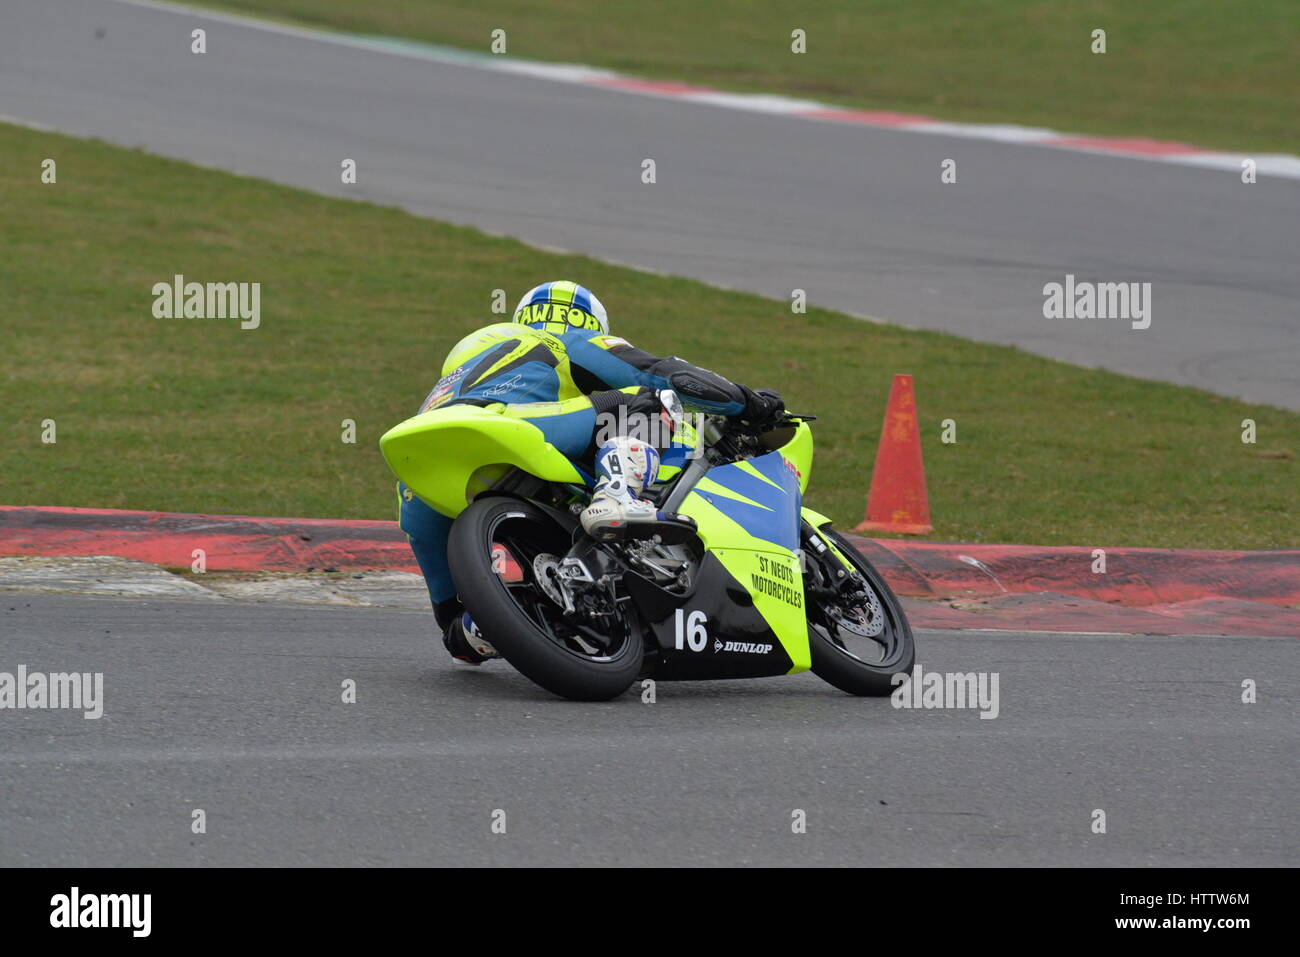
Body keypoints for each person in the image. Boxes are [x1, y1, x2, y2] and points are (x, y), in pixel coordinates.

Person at [398, 280, 784, 664]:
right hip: (510, 426)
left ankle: (480, 627)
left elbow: (444, 611)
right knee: (652, 400)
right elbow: (666, 374)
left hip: (424, 467)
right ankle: (616, 493)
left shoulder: (474, 355)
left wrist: (471, 617)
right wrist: (747, 402)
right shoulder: (566, 339)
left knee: (454, 630)